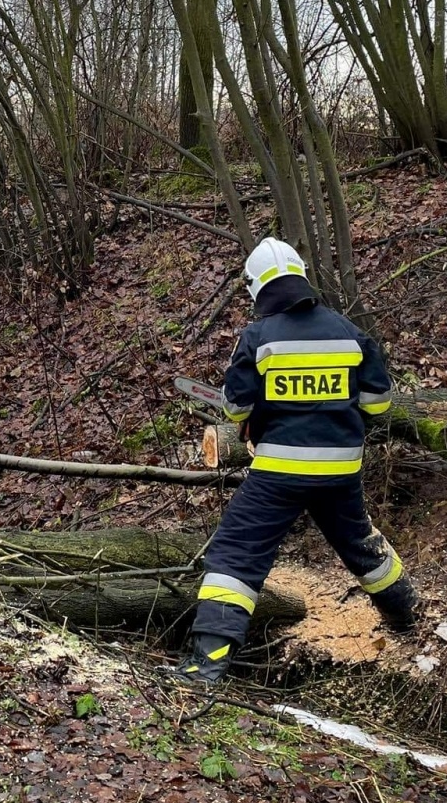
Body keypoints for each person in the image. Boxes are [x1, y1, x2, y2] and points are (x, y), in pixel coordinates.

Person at [176, 237, 420, 684]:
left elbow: (236, 408)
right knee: (360, 544)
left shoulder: (258, 338)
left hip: (279, 473)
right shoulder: (348, 332)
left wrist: (268, 412)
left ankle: (207, 663)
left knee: (236, 554)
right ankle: (408, 615)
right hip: (341, 471)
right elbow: (378, 402)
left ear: (256, 287)